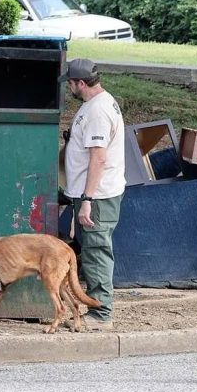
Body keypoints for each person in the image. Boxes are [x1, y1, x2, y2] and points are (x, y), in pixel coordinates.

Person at [59, 59, 126, 331]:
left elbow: (98, 158)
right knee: (92, 250)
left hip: (96, 197)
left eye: (71, 83)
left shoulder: (98, 111)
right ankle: (98, 309)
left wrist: (86, 200)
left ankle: (101, 314)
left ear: (81, 83)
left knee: (97, 252)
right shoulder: (96, 104)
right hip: (90, 195)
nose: (69, 88)